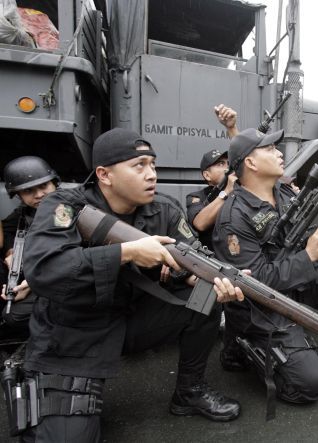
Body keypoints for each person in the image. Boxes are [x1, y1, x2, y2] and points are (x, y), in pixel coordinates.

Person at [19, 128, 242, 442]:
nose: (151, 174)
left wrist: (200, 275)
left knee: (205, 295)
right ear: (104, 175)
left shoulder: (163, 208)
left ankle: (189, 393)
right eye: (139, 166)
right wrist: (127, 252)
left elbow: (196, 258)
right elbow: (44, 269)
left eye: (152, 165)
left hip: (130, 319)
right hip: (72, 336)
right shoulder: (65, 206)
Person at [212, 128, 318, 404]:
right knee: (308, 385)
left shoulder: (284, 192)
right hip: (262, 306)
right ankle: (241, 347)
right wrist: (309, 257)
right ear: (250, 163)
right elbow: (256, 284)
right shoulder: (234, 217)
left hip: (294, 284)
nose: (279, 153)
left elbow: (308, 228)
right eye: (269, 149)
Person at [1, 156, 59, 334]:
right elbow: (8, 230)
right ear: (18, 196)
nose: (39, 194)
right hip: (40, 279)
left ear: (54, 183)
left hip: (66, 280)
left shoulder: (69, 209)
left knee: (14, 316)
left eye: (43, 186)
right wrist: (11, 252)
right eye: (29, 191)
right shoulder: (25, 213)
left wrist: (33, 283)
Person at [186, 104, 239, 249]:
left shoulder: (239, 189)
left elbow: (243, 155)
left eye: (228, 163)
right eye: (220, 164)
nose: (226, 167)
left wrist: (231, 128)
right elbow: (200, 223)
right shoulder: (197, 197)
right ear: (206, 175)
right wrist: (226, 192)